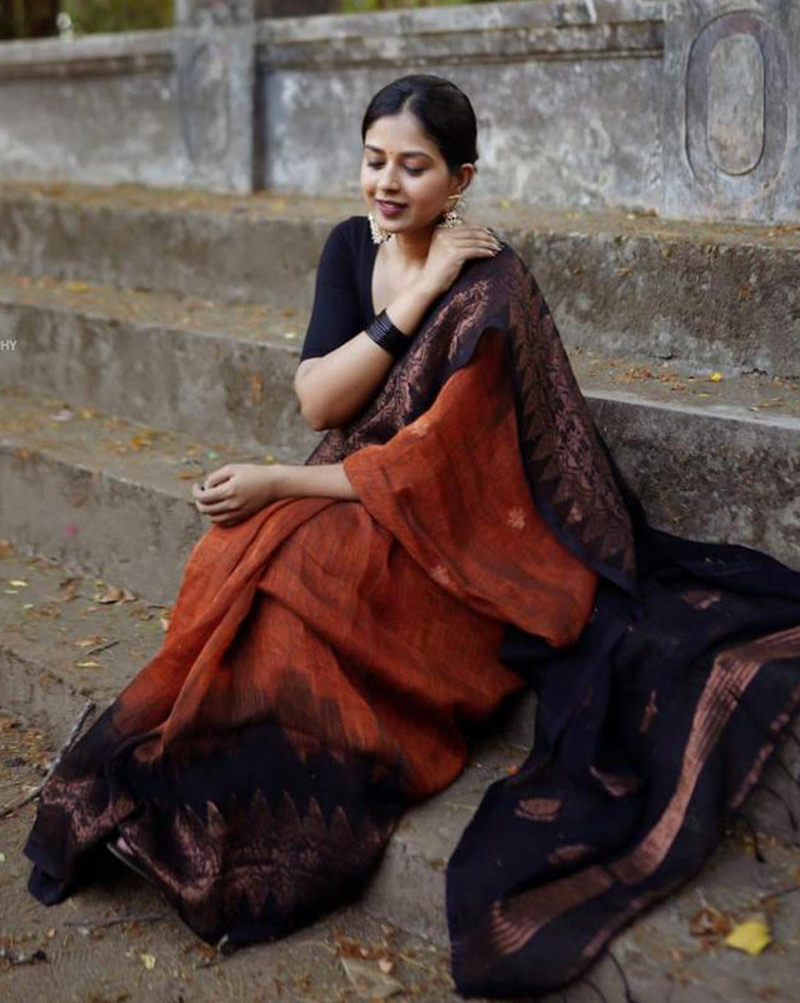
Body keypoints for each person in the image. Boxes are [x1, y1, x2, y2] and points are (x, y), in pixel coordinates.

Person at [23, 74, 800, 1000]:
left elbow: (443, 464)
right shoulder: (353, 247)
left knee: (299, 557)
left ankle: (281, 818)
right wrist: (411, 290)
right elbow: (321, 399)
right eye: (373, 159)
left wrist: (281, 477)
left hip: (464, 537)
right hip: (359, 485)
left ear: (460, 177)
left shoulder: (495, 284)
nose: (388, 183)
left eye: (415, 167)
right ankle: (186, 784)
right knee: (242, 553)